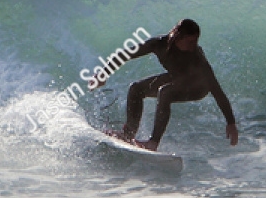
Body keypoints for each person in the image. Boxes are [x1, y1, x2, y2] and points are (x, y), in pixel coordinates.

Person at [97, 18, 239, 150]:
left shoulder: (197, 56)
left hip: (198, 87)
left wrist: (230, 122)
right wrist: (104, 73)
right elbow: (125, 54)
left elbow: (216, 89)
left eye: (196, 41)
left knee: (165, 92)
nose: (194, 45)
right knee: (136, 88)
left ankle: (153, 143)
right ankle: (128, 135)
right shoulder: (159, 44)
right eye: (191, 41)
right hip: (176, 79)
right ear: (178, 37)